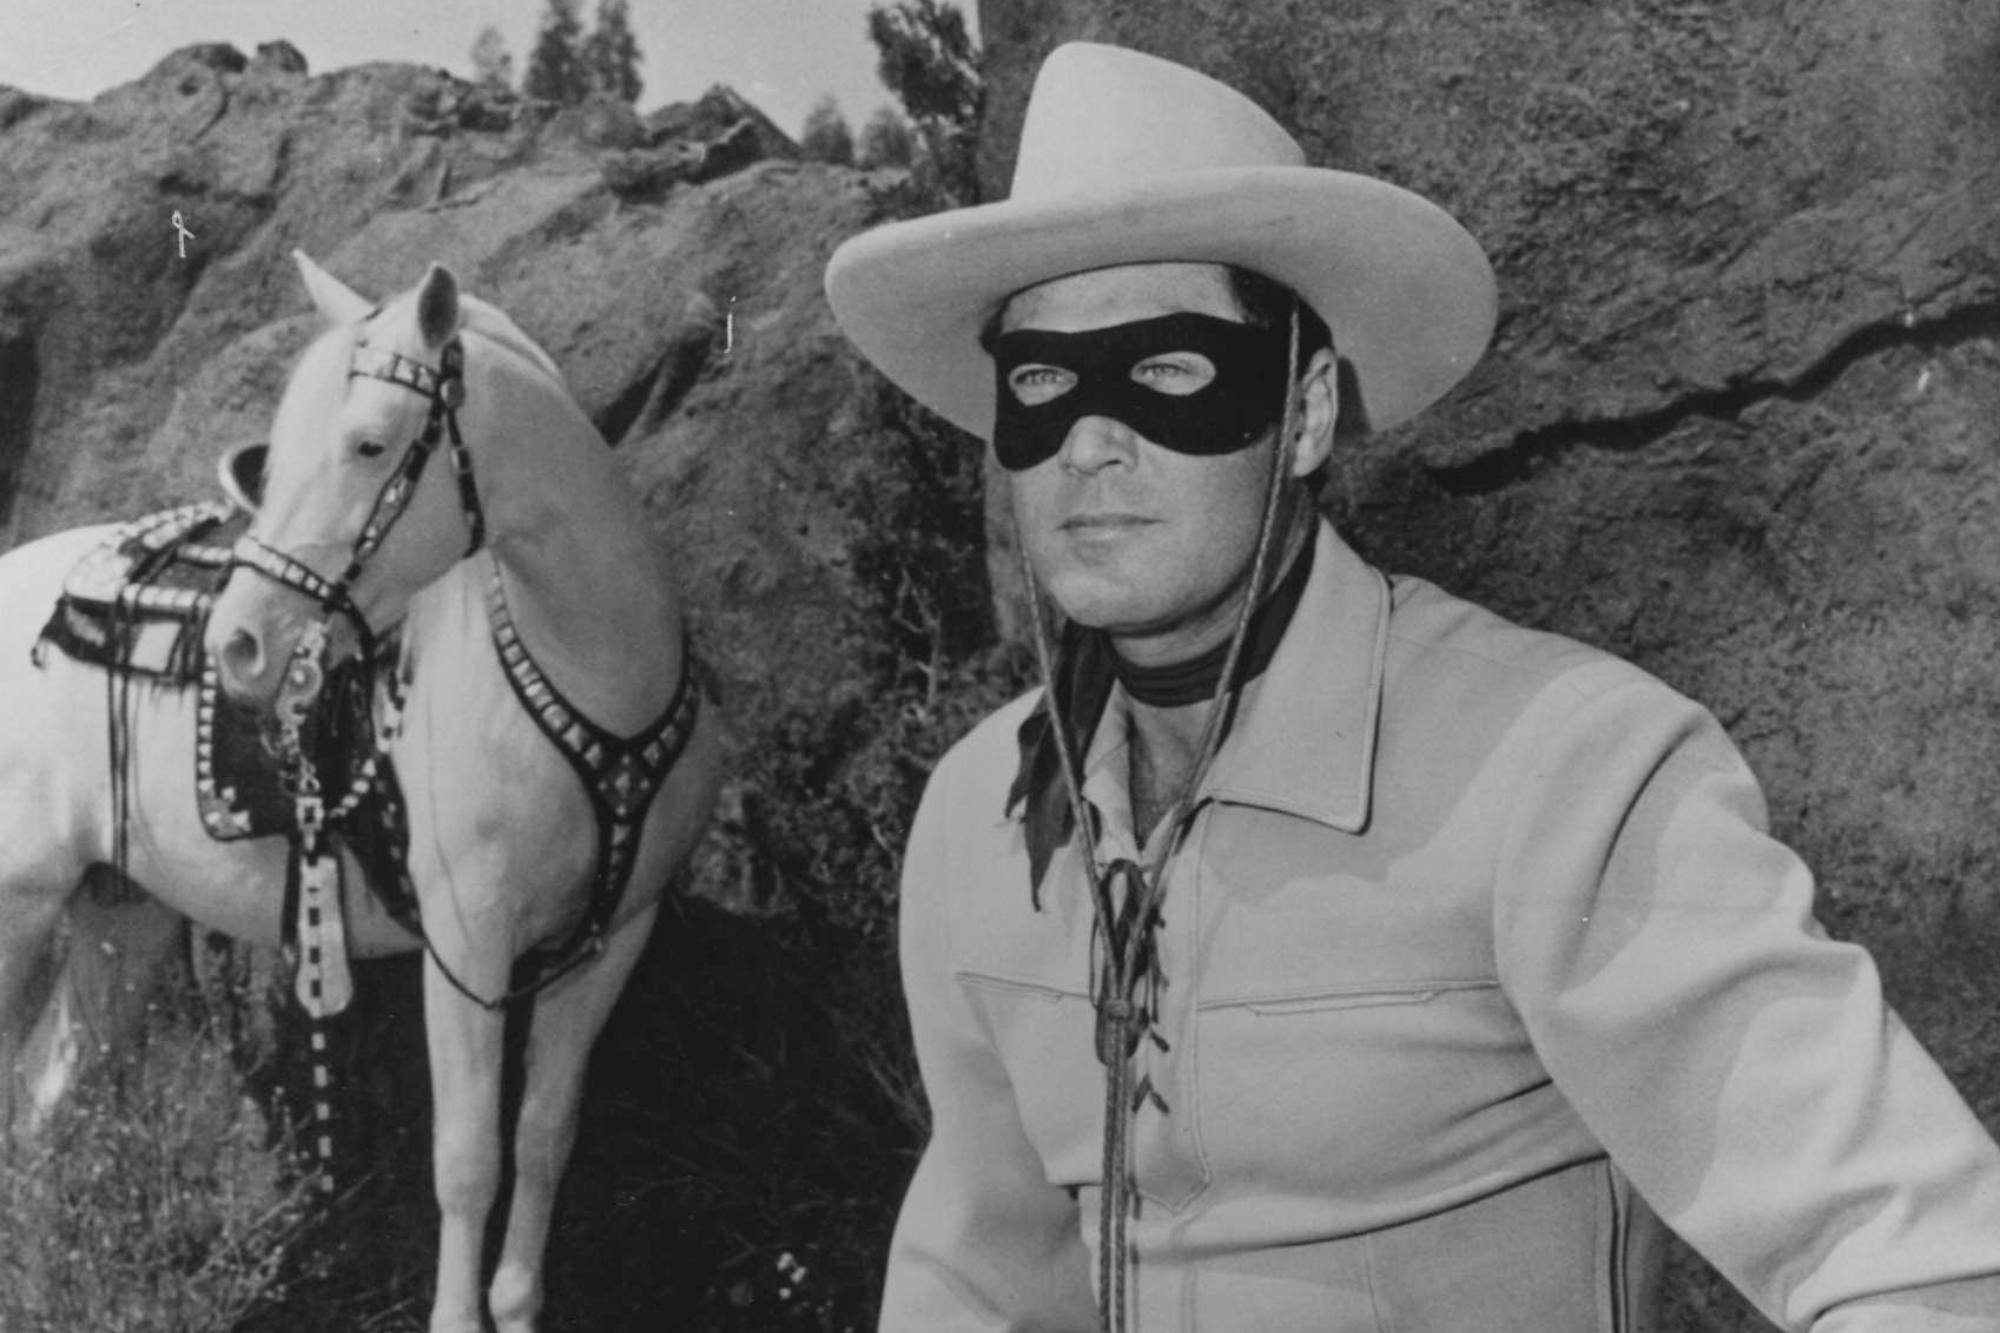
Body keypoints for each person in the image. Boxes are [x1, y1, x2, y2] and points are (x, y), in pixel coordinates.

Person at [823, 41, 2000, 1333]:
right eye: (1042, 384)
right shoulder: (973, 823)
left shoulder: (1562, 773)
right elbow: (981, 1267)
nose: (1092, 443)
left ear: (1309, 409)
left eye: (1164, 372)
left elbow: (1920, 1252)